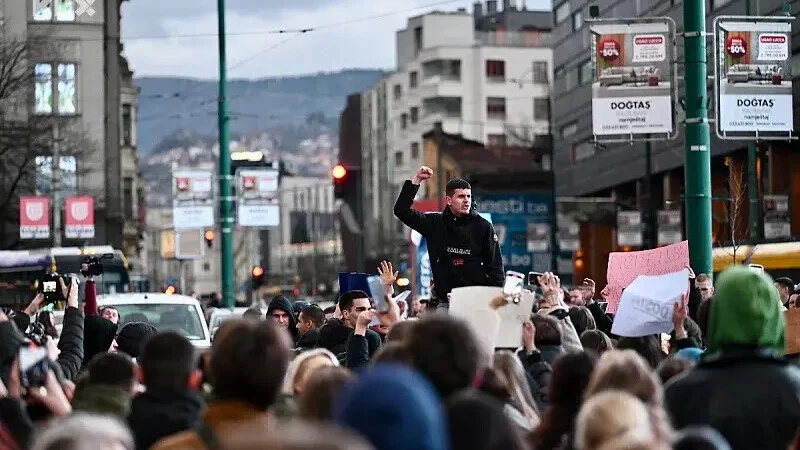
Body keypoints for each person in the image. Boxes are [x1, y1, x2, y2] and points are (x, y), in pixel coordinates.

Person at [393, 165, 504, 304]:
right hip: (445, 302)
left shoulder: (483, 226)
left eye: (469, 196)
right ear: (449, 200)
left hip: (477, 302)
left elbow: (495, 267)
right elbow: (401, 210)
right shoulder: (434, 223)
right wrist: (417, 180)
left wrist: (495, 302)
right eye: (461, 196)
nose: (466, 200)